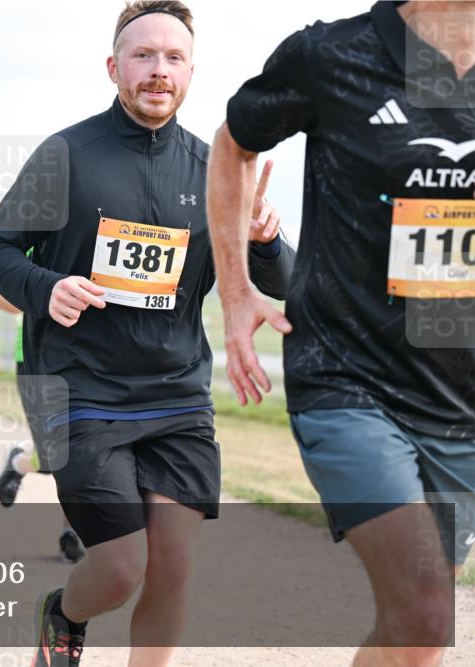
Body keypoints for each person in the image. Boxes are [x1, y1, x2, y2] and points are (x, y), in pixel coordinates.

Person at [0, 3, 294, 665]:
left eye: (173, 58)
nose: (158, 70)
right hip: (83, 391)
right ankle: (63, 614)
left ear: (191, 72)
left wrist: (264, 240)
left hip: (176, 398)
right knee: (121, 567)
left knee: (172, 568)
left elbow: (284, 280)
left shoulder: (216, 170)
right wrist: (48, 286)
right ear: (113, 67)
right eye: (143, 55)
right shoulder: (66, 154)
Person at [207, 2, 474, 665]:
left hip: (460, 400)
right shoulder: (332, 56)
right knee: (423, 609)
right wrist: (237, 290)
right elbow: (235, 142)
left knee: (415, 635)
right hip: (349, 377)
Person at [0, 287, 86, 565]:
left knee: (81, 448)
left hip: (92, 355)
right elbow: (0, 297)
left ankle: (72, 532)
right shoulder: (33, 242)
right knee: (53, 456)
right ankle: (21, 461)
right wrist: (45, 299)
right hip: (36, 354)